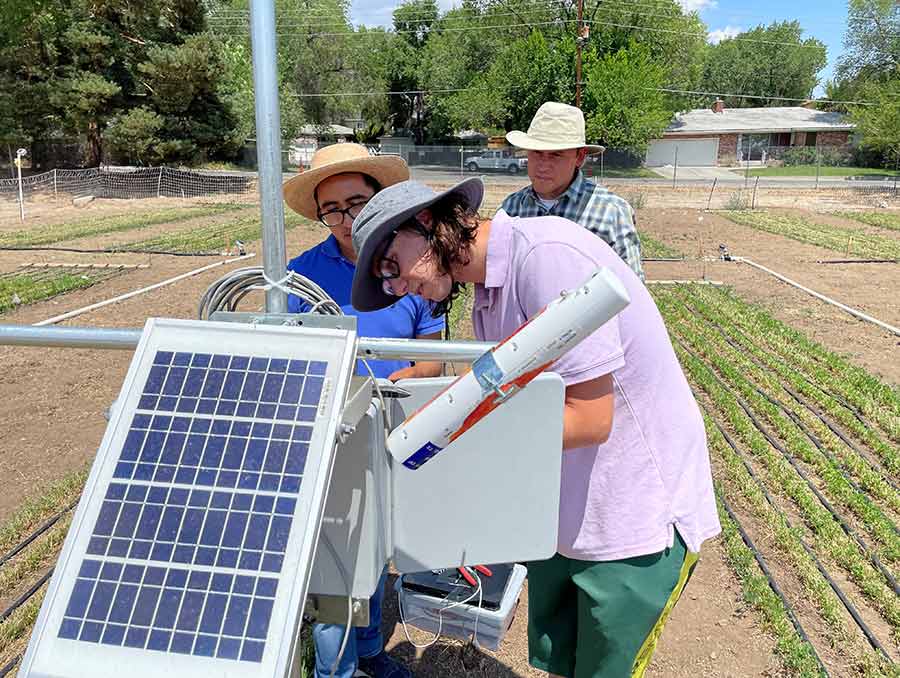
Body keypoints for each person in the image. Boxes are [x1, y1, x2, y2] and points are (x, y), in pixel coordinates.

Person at [347, 178, 721, 678]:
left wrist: (457, 434)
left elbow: (590, 420)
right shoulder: (486, 296)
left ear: (429, 221)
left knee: (606, 668)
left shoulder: (545, 257)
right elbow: (513, 400)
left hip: (633, 512)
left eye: (391, 265)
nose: (396, 287)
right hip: (567, 505)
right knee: (563, 661)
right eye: (385, 280)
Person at [282, 143, 443, 678]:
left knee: (377, 550)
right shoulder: (299, 278)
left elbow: (432, 357)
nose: (346, 220)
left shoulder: (412, 266)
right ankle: (337, 670)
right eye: (333, 209)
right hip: (331, 438)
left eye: (356, 203)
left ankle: (371, 649)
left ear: (379, 200)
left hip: (396, 429)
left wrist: (408, 377)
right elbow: (285, 360)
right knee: (336, 559)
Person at [502, 101, 644, 279]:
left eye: (556, 154)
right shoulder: (511, 209)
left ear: (580, 157)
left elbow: (633, 291)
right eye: (537, 152)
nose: (543, 165)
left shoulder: (611, 213)